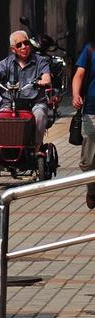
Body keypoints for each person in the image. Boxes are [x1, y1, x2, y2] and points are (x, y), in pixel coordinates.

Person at [0, 30, 52, 148]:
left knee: (40, 115)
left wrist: (43, 81)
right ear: (13, 49)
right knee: (0, 118)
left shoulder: (40, 61)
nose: (24, 47)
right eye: (19, 45)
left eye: (26, 43)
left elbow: (47, 78)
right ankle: (2, 147)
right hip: (10, 102)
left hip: (34, 102)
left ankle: (36, 146)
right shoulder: (6, 63)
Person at [72, 42, 95, 209]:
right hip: (92, 110)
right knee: (87, 161)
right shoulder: (90, 49)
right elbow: (79, 74)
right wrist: (75, 95)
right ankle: (92, 190)